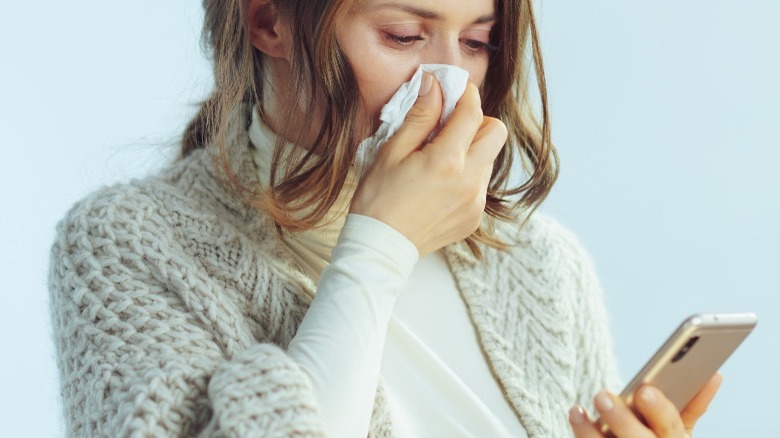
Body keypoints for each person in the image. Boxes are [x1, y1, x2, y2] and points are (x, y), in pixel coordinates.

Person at [48, 0, 723, 436]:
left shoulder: (542, 263)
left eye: (479, 42)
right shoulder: (126, 245)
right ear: (267, 21)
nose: (448, 85)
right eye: (403, 36)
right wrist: (380, 246)